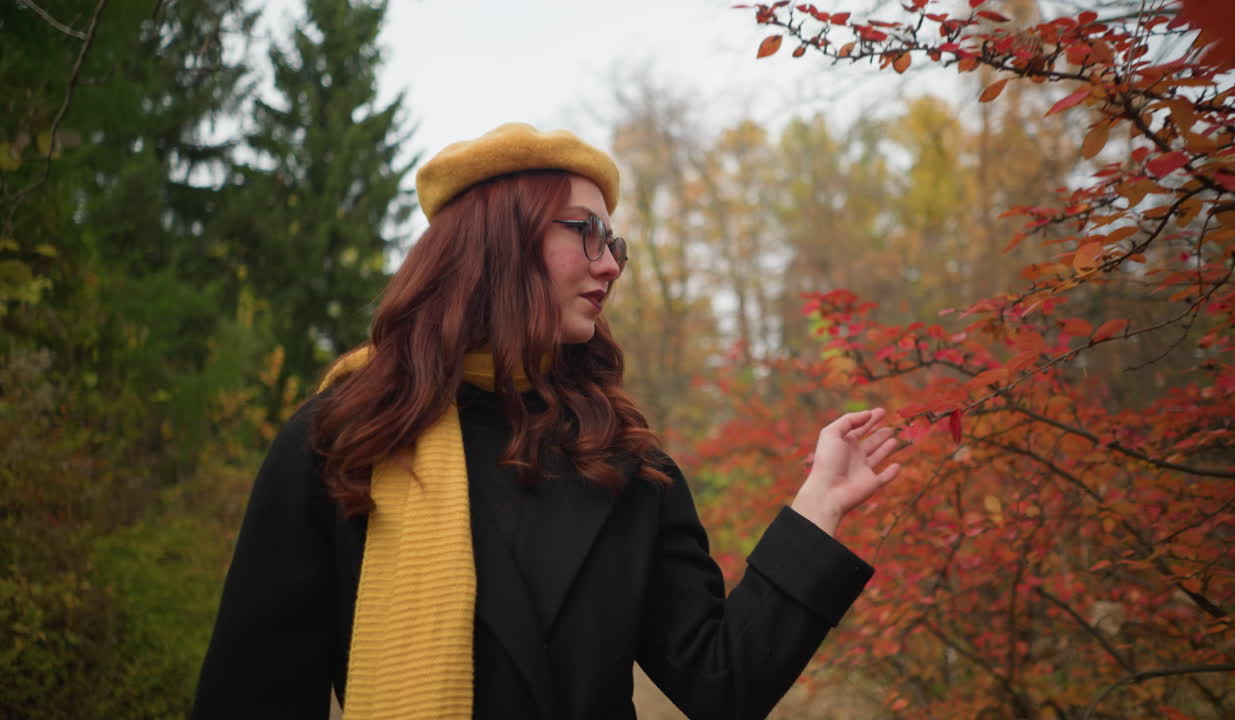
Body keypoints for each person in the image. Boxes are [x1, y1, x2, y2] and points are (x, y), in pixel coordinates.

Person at [191, 123, 902, 720]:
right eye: (587, 233)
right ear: (498, 240)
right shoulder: (343, 440)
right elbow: (252, 697)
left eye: (615, 243)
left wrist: (819, 507)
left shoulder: (624, 458)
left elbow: (722, 681)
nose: (611, 264)